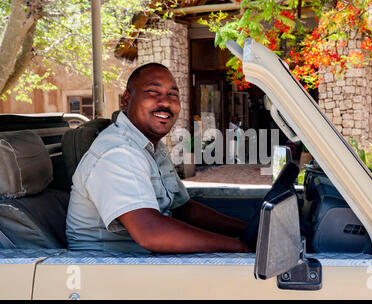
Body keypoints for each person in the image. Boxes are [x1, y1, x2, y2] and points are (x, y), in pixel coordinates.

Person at [66, 63, 250, 253]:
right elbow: (150, 233)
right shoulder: (117, 152)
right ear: (127, 100)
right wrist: (238, 247)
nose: (166, 103)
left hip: (145, 263)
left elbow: (183, 209)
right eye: (153, 92)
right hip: (110, 270)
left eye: (173, 95)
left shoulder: (151, 147)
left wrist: (247, 231)